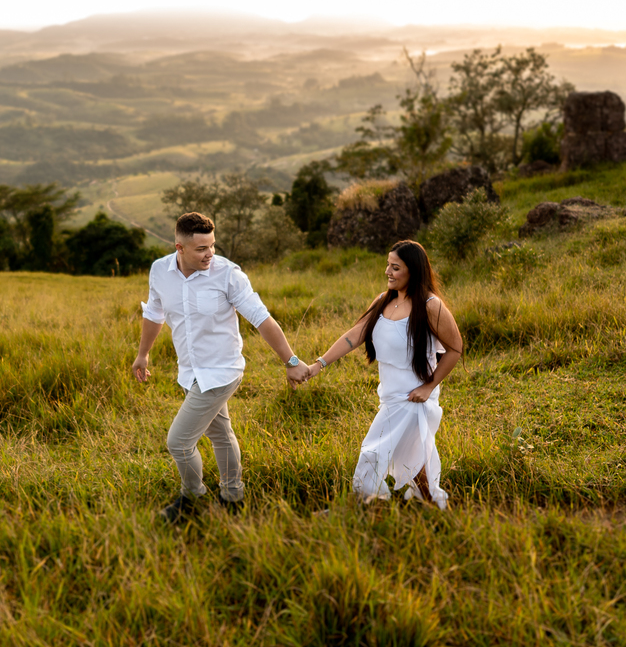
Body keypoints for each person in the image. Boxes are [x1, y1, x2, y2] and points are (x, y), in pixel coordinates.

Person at [134, 212, 309, 524]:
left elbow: (262, 318)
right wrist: (143, 355)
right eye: (201, 248)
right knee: (221, 434)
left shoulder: (228, 274)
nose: (210, 254)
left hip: (222, 371)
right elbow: (155, 313)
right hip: (189, 371)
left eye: (212, 245)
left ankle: (192, 498)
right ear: (180, 248)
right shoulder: (160, 271)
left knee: (178, 442)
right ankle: (233, 496)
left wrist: (291, 361)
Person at [305, 240, 462, 508]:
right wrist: (318, 365)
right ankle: (435, 506)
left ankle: (362, 509)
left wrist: (428, 387)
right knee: (412, 461)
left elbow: (455, 348)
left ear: (413, 271)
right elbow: (355, 336)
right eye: (387, 265)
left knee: (373, 454)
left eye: (396, 267)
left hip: (414, 399)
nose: (388, 272)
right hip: (389, 396)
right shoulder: (383, 300)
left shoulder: (430, 305)